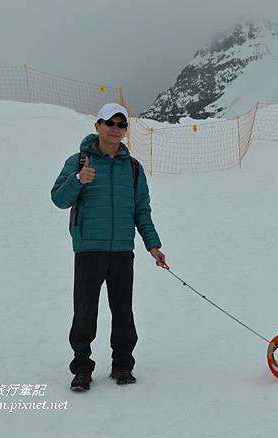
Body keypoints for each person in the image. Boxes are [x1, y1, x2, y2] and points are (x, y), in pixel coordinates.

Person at [51, 103, 166, 392]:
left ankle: (123, 365)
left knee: (123, 310)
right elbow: (58, 199)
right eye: (109, 123)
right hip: (89, 248)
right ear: (97, 126)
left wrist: (153, 245)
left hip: (122, 251)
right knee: (85, 310)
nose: (115, 129)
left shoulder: (134, 169)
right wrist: (78, 181)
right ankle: (81, 368)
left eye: (121, 124)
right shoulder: (79, 162)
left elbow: (142, 211)